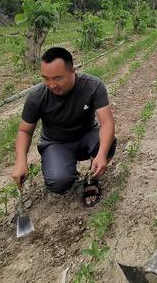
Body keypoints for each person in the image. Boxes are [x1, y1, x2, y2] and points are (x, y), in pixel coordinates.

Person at [11, 47, 116, 206]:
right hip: (56, 143)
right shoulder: (36, 97)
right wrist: (20, 161)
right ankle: (67, 170)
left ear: (72, 71)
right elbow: (24, 131)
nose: (51, 84)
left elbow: (107, 122)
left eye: (57, 78)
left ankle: (91, 179)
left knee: (107, 144)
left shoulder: (92, 86)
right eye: (45, 78)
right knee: (58, 181)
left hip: (87, 135)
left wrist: (101, 154)